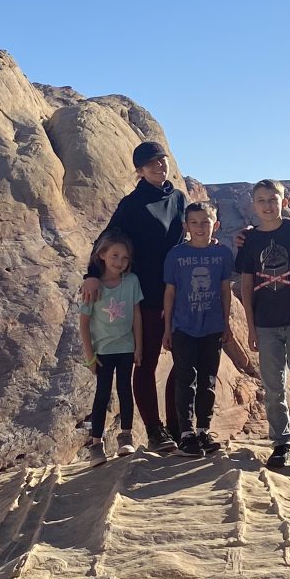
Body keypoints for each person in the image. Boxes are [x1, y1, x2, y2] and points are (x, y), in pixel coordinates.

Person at [82, 141, 185, 452]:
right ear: (140, 170)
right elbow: (107, 239)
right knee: (146, 362)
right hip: (149, 294)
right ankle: (155, 431)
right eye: (151, 163)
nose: (159, 166)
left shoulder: (178, 198)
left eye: (162, 160)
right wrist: (91, 273)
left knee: (183, 361)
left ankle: (178, 428)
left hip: (178, 291)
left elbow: (194, 230)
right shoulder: (131, 204)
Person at [235, 179, 290, 469]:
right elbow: (246, 285)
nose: (268, 206)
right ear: (253, 206)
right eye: (261, 201)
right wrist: (250, 326)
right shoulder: (250, 241)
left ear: (284, 202)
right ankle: (281, 443)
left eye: (273, 200)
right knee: (274, 387)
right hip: (265, 324)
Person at [162, 202, 234, 458]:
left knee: (208, 380)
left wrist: (227, 325)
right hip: (183, 327)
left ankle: (203, 430)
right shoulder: (176, 255)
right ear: (186, 226)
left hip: (212, 327)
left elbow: (226, 292)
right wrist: (167, 328)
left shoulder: (223, 254)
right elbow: (169, 293)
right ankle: (186, 433)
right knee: (186, 379)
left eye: (206, 222)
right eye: (194, 222)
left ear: (216, 225)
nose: (200, 227)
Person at [78, 230, 143, 467]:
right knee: (102, 394)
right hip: (103, 350)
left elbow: (136, 315)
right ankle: (96, 445)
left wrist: (139, 346)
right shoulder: (93, 287)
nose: (120, 262)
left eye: (125, 258)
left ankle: (126, 436)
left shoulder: (132, 281)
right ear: (102, 255)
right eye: (115, 255)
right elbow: (84, 323)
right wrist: (89, 356)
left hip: (126, 347)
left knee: (125, 390)